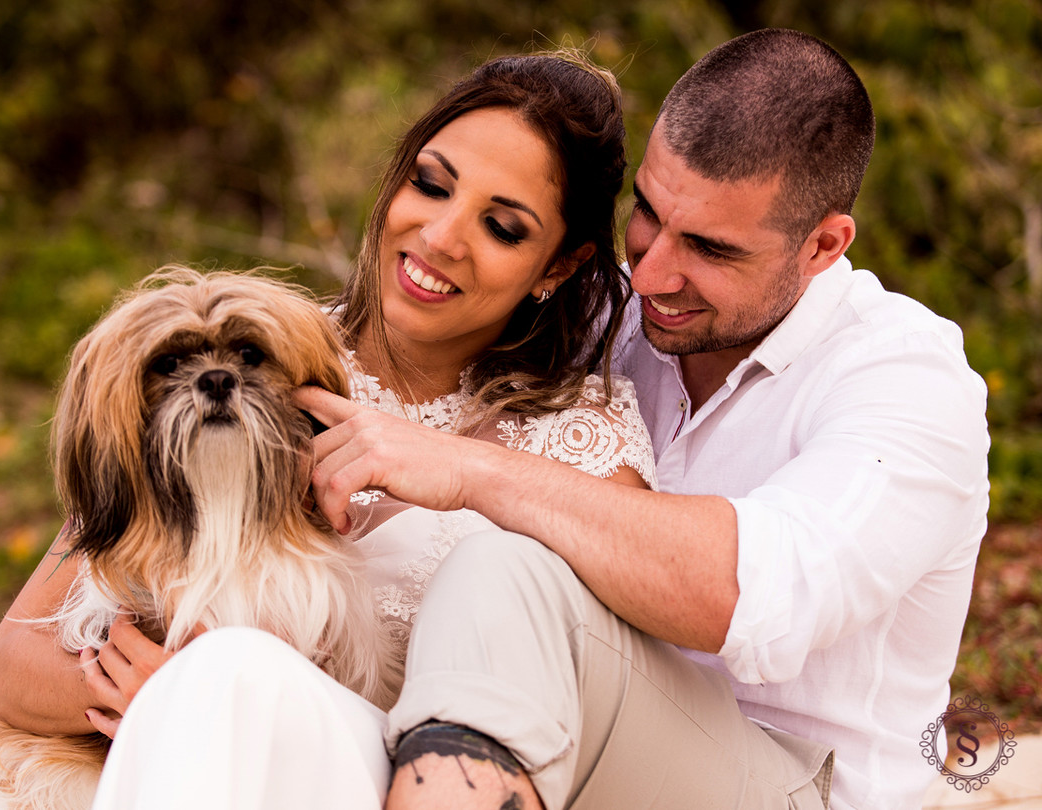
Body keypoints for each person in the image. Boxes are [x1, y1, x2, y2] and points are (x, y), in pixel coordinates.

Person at [0, 48, 654, 810]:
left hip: (335, 777)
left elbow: (580, 703)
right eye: (430, 185)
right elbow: (9, 675)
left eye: (503, 226)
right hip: (99, 769)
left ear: (561, 264)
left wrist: (218, 697)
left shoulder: (576, 440)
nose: (440, 237)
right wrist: (160, 692)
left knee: (233, 675)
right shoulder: (260, 348)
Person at [297, 28, 990, 810]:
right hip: (563, 733)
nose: (652, 272)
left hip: (793, 786)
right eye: (650, 214)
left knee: (504, 570)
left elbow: (752, 598)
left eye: (710, 248)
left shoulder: (907, 379)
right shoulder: (606, 314)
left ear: (823, 245)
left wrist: (466, 471)